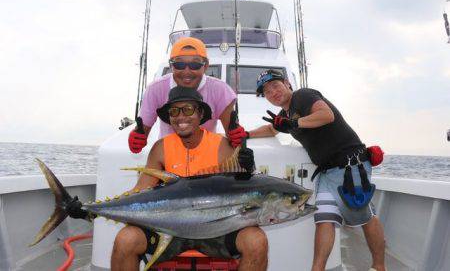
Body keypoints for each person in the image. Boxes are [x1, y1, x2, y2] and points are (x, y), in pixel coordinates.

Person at [112, 86, 268, 271]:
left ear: (200, 114)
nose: (180, 117)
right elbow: (140, 190)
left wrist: (248, 169)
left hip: (216, 228)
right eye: (174, 111)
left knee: (256, 241)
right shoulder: (161, 148)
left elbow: (242, 189)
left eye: (188, 109)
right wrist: (92, 209)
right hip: (169, 229)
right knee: (125, 239)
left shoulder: (221, 145)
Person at [246, 69, 386, 271]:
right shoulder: (284, 114)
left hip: (350, 165)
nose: (273, 92)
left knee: (364, 217)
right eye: (267, 91)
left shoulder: (303, 96)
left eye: (275, 86)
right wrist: (245, 134)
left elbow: (326, 115)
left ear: (287, 83)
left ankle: (380, 267)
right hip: (327, 172)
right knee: (324, 220)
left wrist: (295, 123)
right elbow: (271, 130)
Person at [128, 37, 247, 153]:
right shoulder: (155, 89)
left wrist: (236, 136)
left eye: (195, 65)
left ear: (205, 66)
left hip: (206, 157)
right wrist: (137, 137)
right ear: (171, 66)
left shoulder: (221, 90)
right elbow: (142, 131)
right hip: (168, 156)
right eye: (179, 64)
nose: (187, 71)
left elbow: (232, 134)